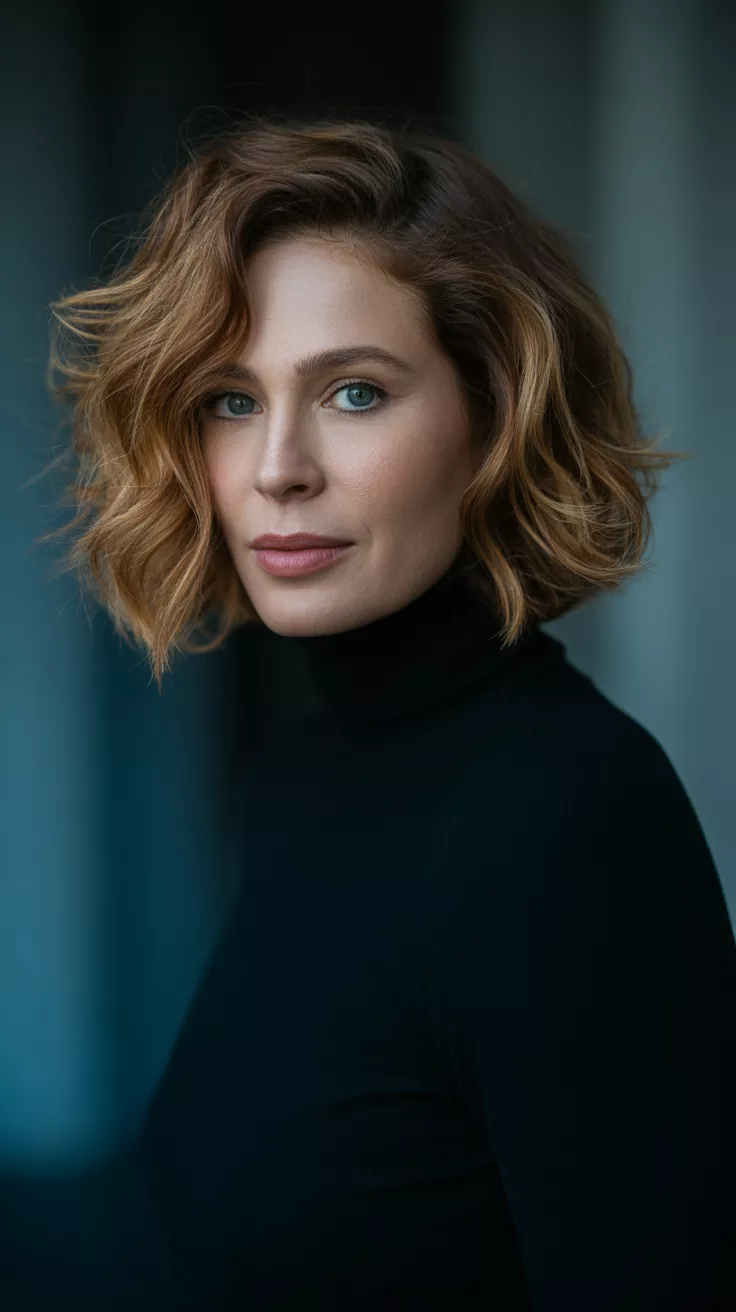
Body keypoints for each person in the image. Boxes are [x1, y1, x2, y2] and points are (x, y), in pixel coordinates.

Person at [42, 111, 736, 1309]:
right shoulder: (294, 779)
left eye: (354, 393)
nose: (277, 469)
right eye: (228, 399)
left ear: (491, 419)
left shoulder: (569, 821)